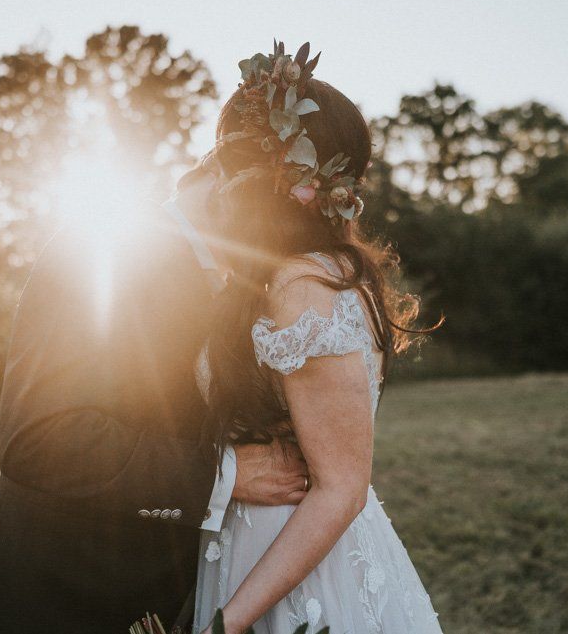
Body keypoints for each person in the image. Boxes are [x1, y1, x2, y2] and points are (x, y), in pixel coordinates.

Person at [0, 149, 310, 632]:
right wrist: (222, 475)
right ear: (221, 172)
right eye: (284, 192)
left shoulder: (242, 283)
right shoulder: (100, 245)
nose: (293, 215)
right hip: (60, 599)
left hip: (164, 597)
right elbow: (39, 439)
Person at [190, 42, 444, 633]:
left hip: (296, 575)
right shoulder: (296, 273)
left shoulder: (301, 283)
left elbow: (341, 490)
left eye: (229, 159)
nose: (217, 174)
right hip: (256, 550)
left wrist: (226, 625)